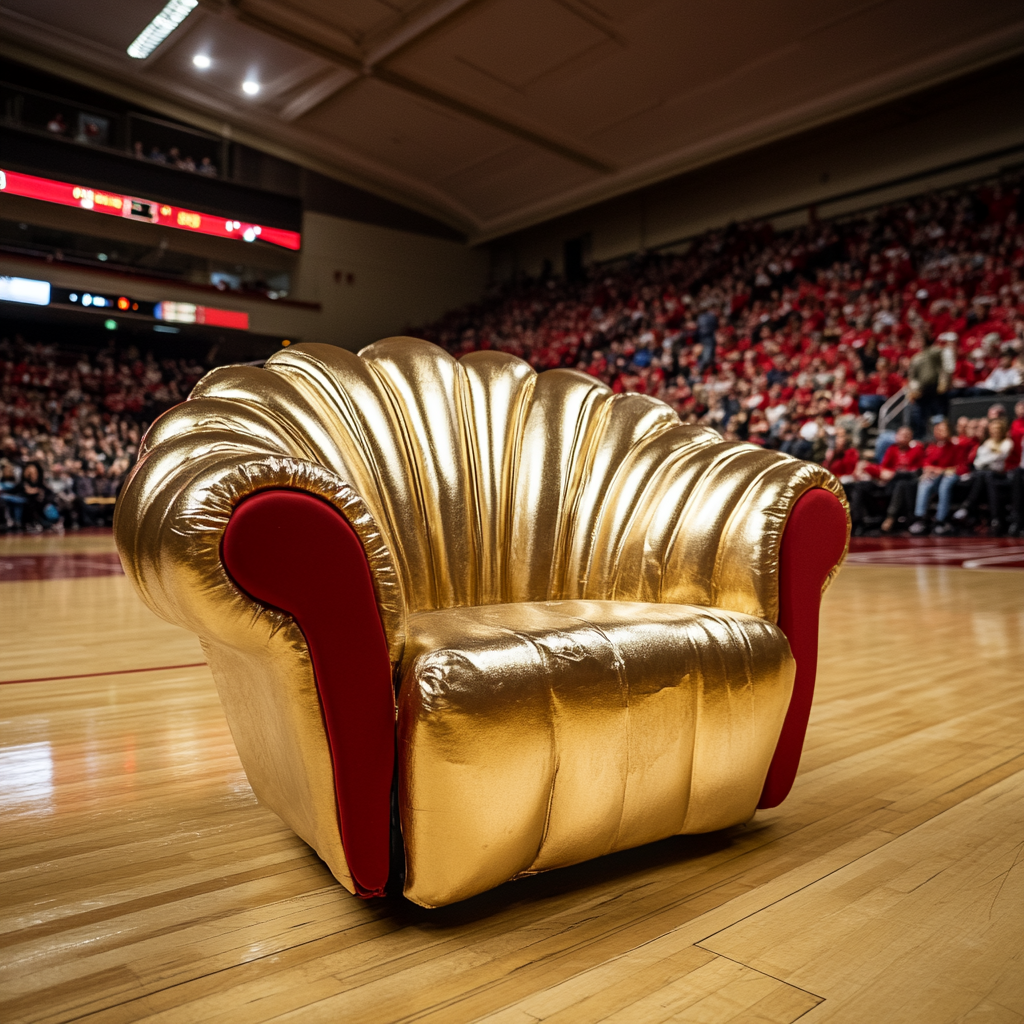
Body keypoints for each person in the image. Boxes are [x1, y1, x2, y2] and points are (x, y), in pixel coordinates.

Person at [849, 426, 923, 533]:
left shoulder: (916, 449)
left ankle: (890, 517)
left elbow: (916, 471)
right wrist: (867, 468)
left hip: (903, 483)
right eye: (901, 435)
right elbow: (883, 468)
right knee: (860, 485)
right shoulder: (892, 449)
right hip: (887, 482)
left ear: (911, 438)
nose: (902, 438)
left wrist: (895, 473)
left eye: (906, 435)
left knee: (901, 485)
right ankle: (857, 522)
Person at [953, 418, 1014, 534]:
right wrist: (993, 455)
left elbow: (1000, 458)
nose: (995, 431)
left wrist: (989, 457)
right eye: (993, 429)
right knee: (984, 476)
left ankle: (967, 507)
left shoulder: (1007, 443)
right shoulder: (987, 443)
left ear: (1003, 430)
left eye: (998, 429)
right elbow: (978, 462)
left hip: (1002, 476)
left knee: (985, 475)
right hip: (987, 477)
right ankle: (994, 519)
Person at [908, 420, 956, 534]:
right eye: (938, 429)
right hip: (935, 475)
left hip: (950, 474)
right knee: (925, 483)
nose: (940, 432)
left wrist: (941, 470)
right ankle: (920, 518)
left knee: (945, 486)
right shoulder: (933, 446)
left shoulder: (954, 446)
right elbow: (926, 462)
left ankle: (941, 520)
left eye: (943, 429)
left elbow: (958, 465)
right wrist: (927, 469)